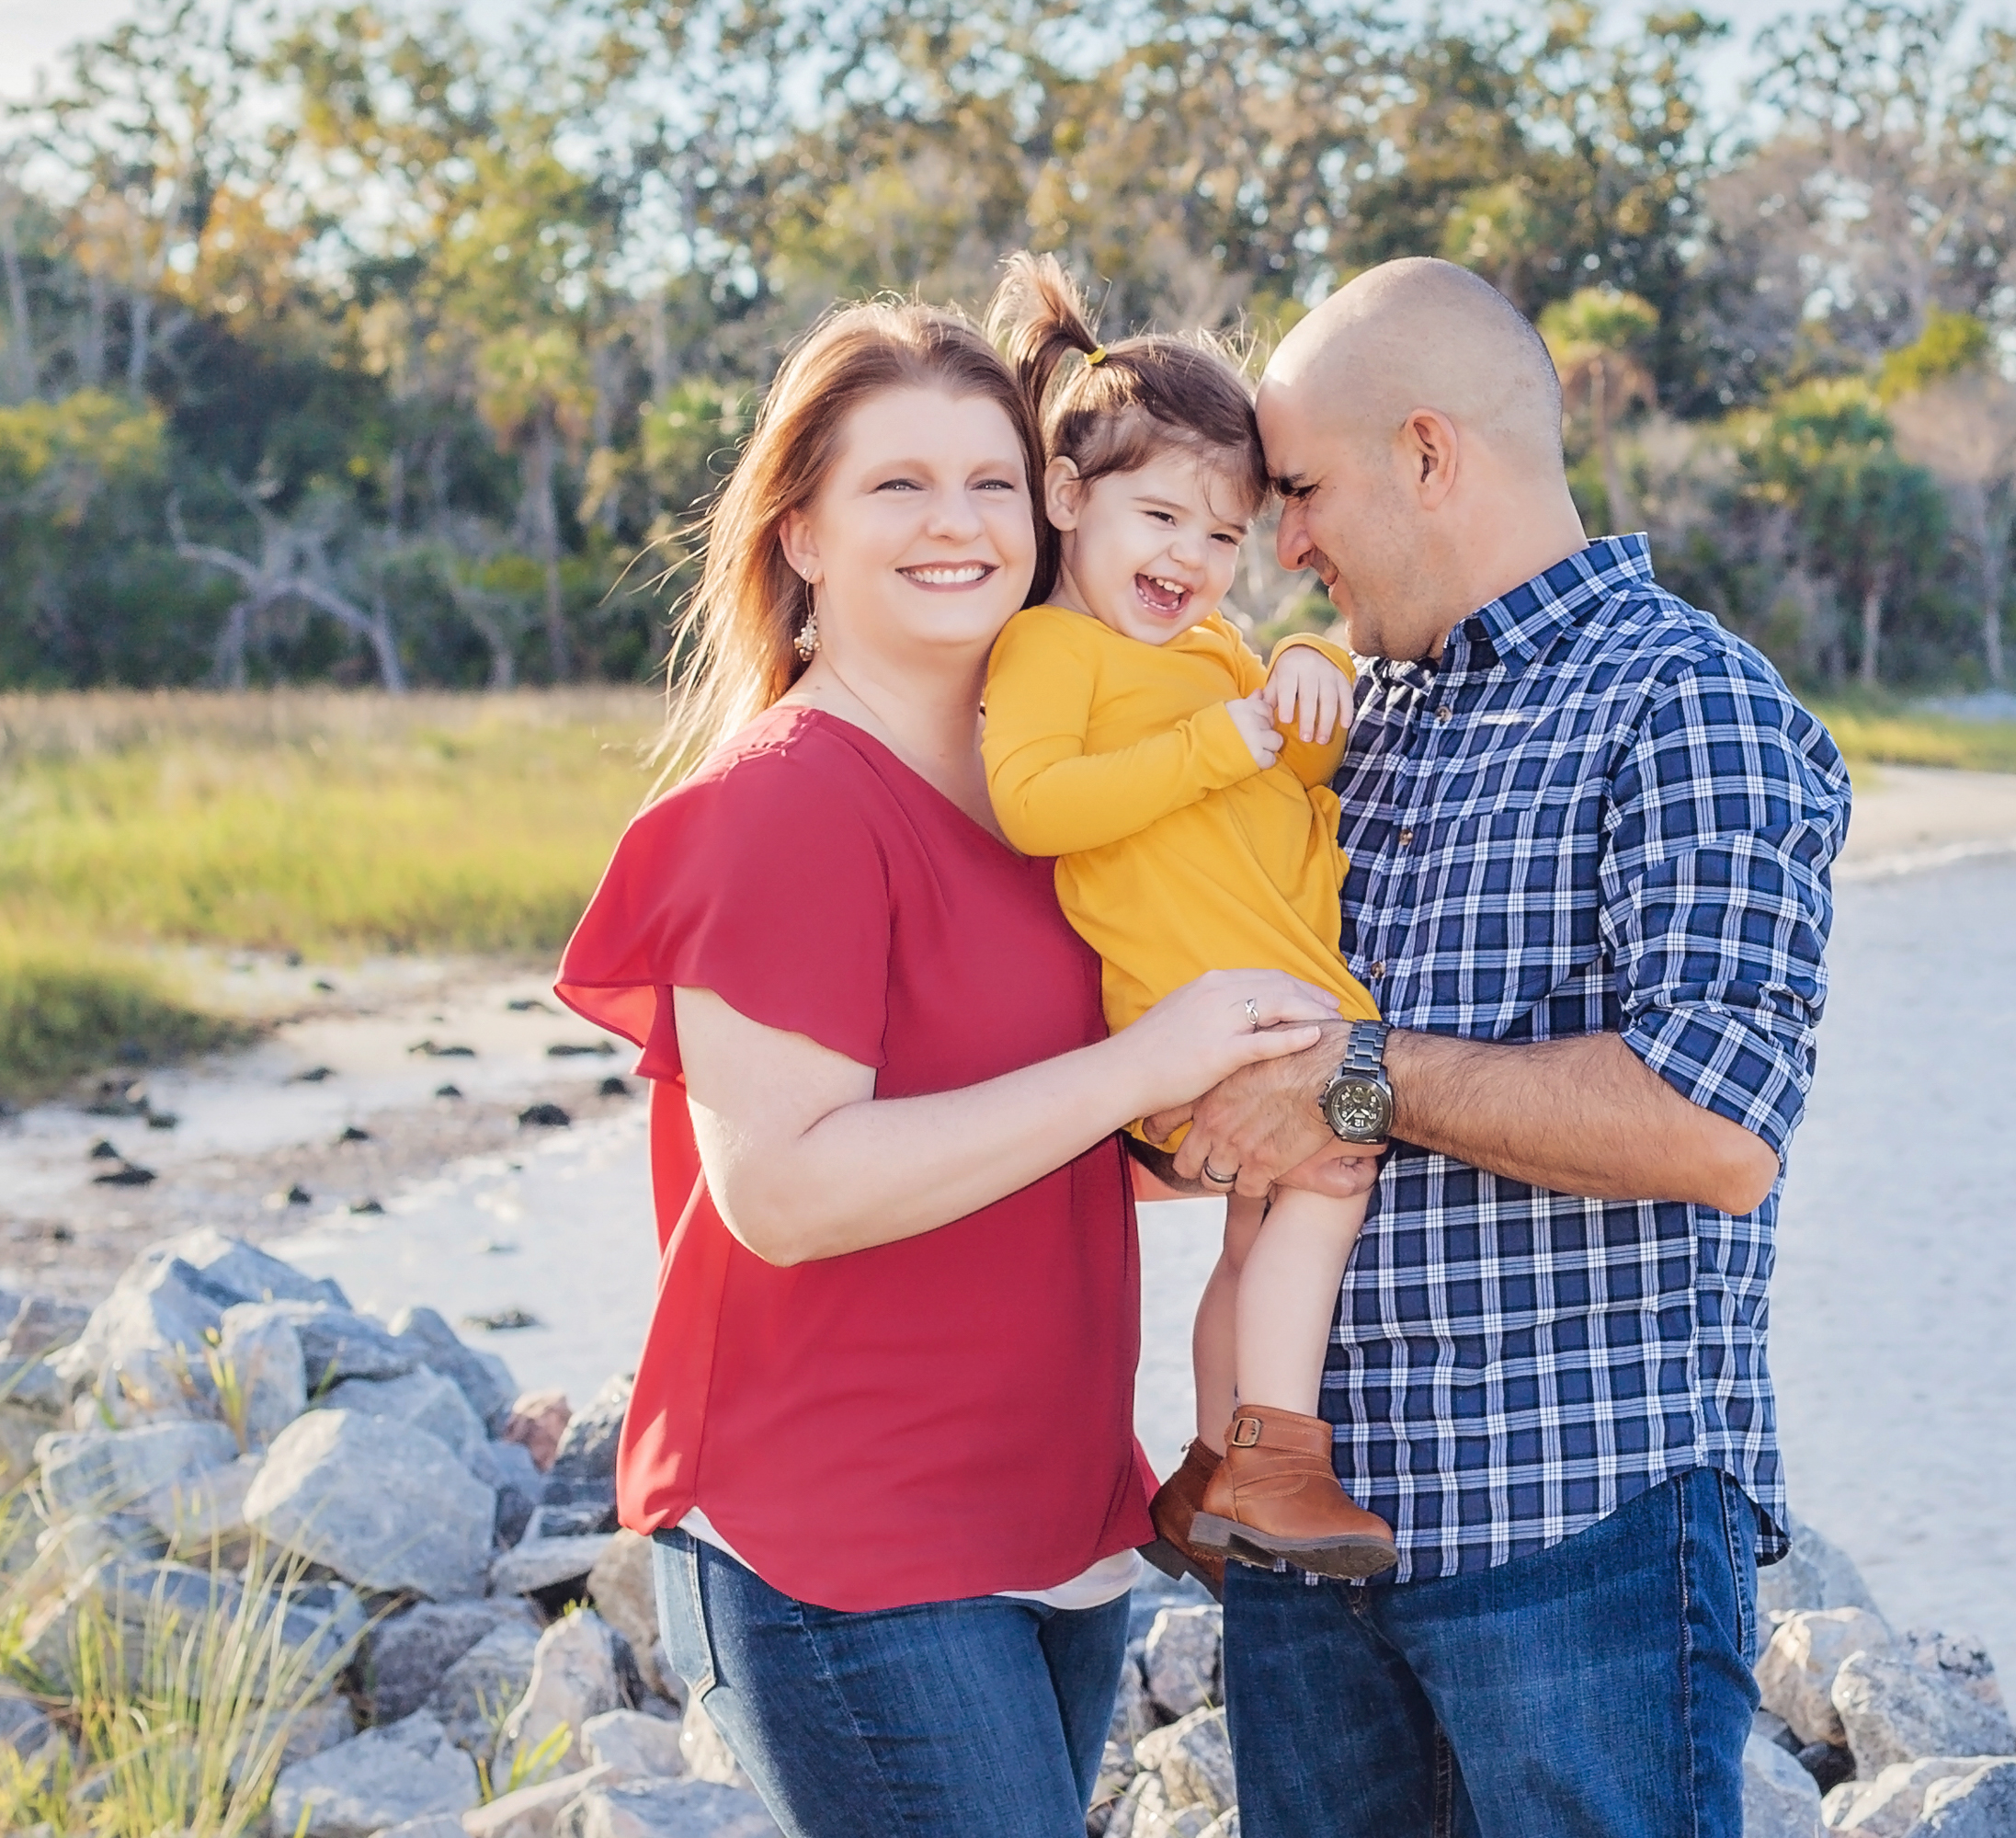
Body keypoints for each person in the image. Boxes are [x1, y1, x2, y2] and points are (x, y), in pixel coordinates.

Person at [552, 297, 1337, 1836]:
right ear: (798, 535)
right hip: (839, 1530)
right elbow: (781, 1189)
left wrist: (1287, 1115)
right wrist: (1141, 1067)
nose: (955, 525)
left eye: (988, 481)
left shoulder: (1050, 804)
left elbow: (1065, 1149)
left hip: (1052, 1509)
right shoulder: (784, 806)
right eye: (895, 487)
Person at [1142, 257, 1855, 1838]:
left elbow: (1712, 1126)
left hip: (1575, 1537)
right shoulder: (1351, 720)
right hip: (1309, 1547)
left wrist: (1358, 1072)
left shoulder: (1689, 705)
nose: (1286, 542)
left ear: (1431, 453)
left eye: (1307, 491)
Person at [979, 252, 1395, 1586]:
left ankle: (1213, 1472)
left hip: (1266, 993)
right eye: (1159, 519)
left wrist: (1315, 671)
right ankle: (1277, 1459)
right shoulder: (1052, 650)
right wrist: (1226, 738)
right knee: (1339, 1170)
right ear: (1066, 498)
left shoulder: (1217, 651)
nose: (1192, 561)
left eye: (1223, 537)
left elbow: (1296, 763)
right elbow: (1037, 804)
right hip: (1209, 1016)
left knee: (1257, 1227)